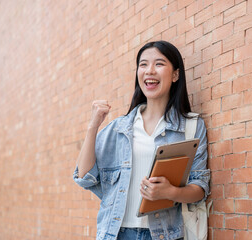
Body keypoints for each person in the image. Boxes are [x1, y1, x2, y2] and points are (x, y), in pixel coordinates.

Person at [73, 41, 210, 240]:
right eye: (143, 64)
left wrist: (170, 192)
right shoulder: (119, 128)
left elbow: (200, 189)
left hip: (164, 235)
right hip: (116, 234)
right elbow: (84, 176)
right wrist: (93, 126)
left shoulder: (191, 127)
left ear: (175, 75)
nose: (149, 71)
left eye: (159, 64)